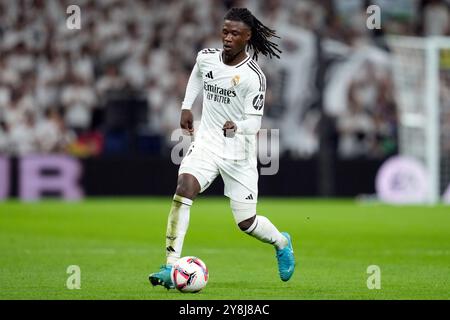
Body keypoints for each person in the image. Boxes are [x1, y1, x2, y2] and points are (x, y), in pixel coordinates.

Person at [149, 7, 295, 289]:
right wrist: (185, 106)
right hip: (206, 143)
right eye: (225, 31)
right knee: (184, 188)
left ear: (248, 37)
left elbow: (254, 123)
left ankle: (281, 242)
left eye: (235, 33)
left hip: (239, 153)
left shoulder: (254, 77)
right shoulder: (207, 58)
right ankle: (169, 266)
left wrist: (236, 126)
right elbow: (196, 75)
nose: (228, 38)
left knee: (246, 222)